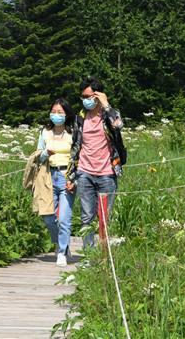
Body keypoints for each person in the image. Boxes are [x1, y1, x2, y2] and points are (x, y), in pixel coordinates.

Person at [66, 77, 126, 248]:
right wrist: (71, 175)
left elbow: (118, 125)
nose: (86, 100)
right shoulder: (80, 117)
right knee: (86, 217)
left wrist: (106, 105)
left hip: (107, 173)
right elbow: (75, 148)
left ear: (98, 95)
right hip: (84, 173)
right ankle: (88, 255)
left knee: (104, 218)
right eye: (83, 97)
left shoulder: (108, 115)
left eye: (89, 96)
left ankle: (103, 255)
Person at [36, 98, 76, 266]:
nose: (56, 115)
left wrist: (74, 178)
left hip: (67, 176)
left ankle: (61, 252)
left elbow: (78, 155)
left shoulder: (73, 132)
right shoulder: (44, 132)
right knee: (47, 217)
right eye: (53, 112)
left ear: (66, 114)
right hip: (48, 176)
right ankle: (61, 243)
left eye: (60, 112)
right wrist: (46, 153)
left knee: (64, 218)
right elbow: (37, 155)